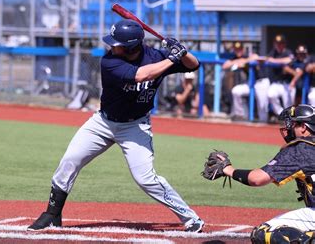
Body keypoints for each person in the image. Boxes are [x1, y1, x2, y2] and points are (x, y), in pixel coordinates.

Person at [28, 19, 205, 232]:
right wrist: (172, 58)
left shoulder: (155, 56)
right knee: (70, 160)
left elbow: (193, 65)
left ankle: (190, 218)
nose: (111, 46)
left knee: (146, 179)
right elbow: (142, 75)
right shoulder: (109, 62)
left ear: (131, 46)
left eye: (117, 43)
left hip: (135, 127)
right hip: (103, 123)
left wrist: (182, 52)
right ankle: (52, 214)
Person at [204, 104, 315, 243]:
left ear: (304, 127)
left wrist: (228, 169)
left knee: (264, 233)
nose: (289, 128)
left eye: (293, 124)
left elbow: (257, 179)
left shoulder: (301, 148)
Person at [222, 42, 266, 121]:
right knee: (236, 91)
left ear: (243, 49)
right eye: (236, 50)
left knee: (262, 108)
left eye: (240, 49)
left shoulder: (247, 55)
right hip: (250, 84)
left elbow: (255, 57)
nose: (238, 51)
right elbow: (225, 65)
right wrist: (236, 62)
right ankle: (241, 115)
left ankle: (265, 125)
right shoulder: (234, 58)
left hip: (261, 82)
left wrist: (243, 61)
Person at [266, 34, 294, 118]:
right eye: (276, 43)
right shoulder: (273, 52)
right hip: (276, 83)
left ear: (284, 44)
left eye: (280, 43)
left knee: (288, 103)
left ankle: (291, 120)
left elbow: (289, 60)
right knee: (270, 94)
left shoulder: (288, 52)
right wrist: (279, 62)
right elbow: (268, 59)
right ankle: (281, 113)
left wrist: (275, 61)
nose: (278, 45)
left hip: (288, 83)